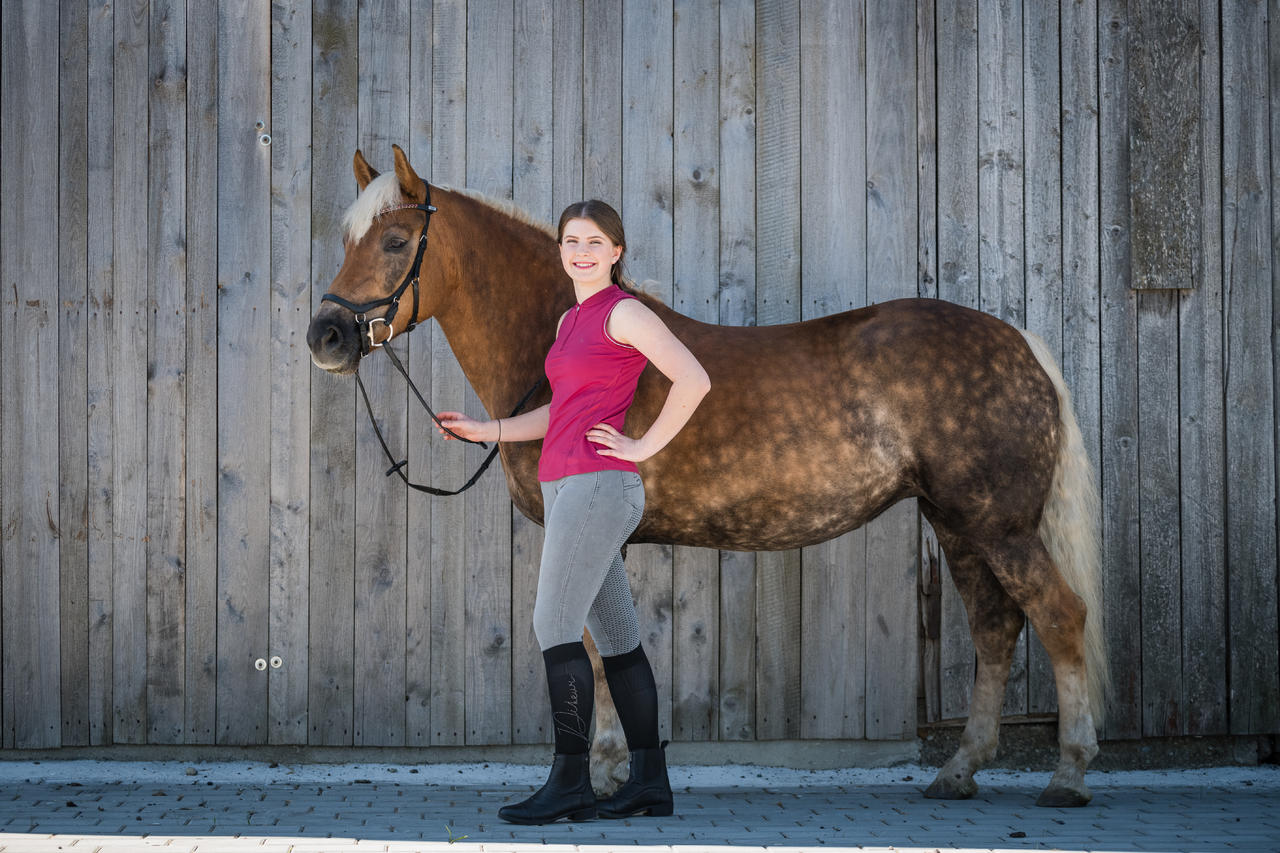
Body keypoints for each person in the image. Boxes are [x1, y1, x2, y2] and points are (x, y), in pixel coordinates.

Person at [437, 200, 711, 825]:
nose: (580, 251)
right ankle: (649, 783)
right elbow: (560, 411)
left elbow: (693, 379)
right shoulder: (569, 322)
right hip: (565, 486)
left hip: (599, 487)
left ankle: (569, 784)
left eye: (594, 241)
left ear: (616, 251)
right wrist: (489, 431)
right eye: (570, 241)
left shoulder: (626, 313)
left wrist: (643, 446)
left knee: (552, 622)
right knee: (618, 637)